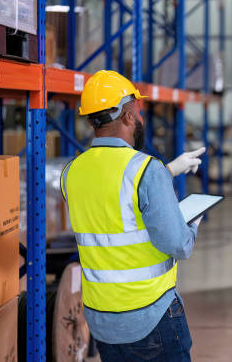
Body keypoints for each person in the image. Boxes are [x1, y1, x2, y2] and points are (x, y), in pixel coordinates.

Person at [60, 70, 206, 362]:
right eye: (138, 112)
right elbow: (179, 245)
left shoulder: (71, 172)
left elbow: (112, 197)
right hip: (151, 316)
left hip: (102, 321)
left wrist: (167, 172)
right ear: (127, 116)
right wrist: (191, 221)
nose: (141, 119)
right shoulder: (145, 169)